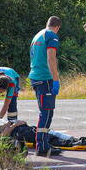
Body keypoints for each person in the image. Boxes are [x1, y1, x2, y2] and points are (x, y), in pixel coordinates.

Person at [29, 16, 61, 157]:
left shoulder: (38, 35)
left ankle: (43, 144)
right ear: (57, 27)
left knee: (44, 112)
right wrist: (56, 79)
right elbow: (51, 58)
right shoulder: (51, 35)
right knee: (47, 112)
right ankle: (42, 147)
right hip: (45, 78)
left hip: (35, 76)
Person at [0, 121, 86, 152]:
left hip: (34, 129)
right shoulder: (0, 132)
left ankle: (81, 139)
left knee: (56, 134)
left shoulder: (6, 125)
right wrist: (13, 125)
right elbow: (4, 134)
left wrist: (14, 123)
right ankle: (79, 143)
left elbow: (24, 123)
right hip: (31, 136)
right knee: (55, 140)